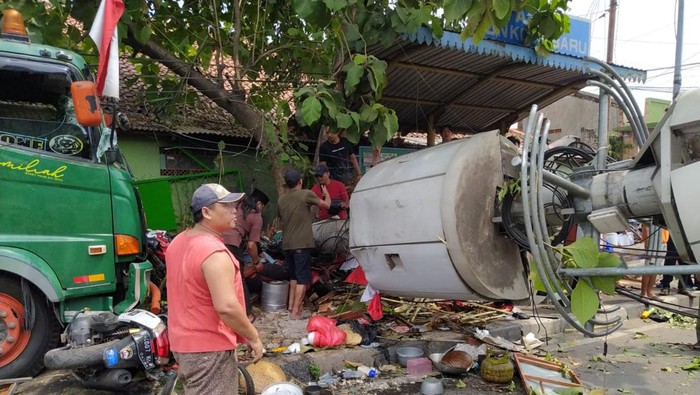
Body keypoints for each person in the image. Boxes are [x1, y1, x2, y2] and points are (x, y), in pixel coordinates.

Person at [166, 183, 263, 394]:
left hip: (182, 344)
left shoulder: (177, 243)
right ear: (206, 212)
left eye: (234, 205)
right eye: (226, 206)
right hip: (209, 348)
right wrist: (253, 336)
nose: (235, 211)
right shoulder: (215, 253)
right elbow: (227, 306)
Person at [278, 168, 331, 319]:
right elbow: (326, 205)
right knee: (302, 278)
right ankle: (296, 311)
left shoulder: (281, 199)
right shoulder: (306, 193)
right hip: (301, 243)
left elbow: (281, 217)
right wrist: (326, 193)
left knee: (294, 276)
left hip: (287, 244)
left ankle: (290, 306)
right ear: (300, 181)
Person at [223, 188, 270, 322]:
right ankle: (247, 314)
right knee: (239, 278)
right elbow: (251, 245)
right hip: (232, 244)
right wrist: (256, 262)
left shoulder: (237, 205)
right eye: (263, 207)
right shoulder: (256, 216)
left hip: (217, 240)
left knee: (223, 277)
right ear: (259, 204)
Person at [640, 224, 667, 301]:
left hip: (663, 242)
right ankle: (643, 292)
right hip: (653, 243)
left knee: (656, 268)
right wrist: (647, 243)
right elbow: (646, 226)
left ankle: (650, 291)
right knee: (649, 268)